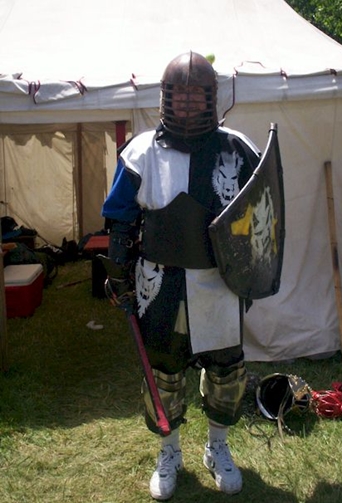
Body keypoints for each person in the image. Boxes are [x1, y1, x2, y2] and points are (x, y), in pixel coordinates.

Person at [102, 51, 261, 501]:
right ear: (166, 98)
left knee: (226, 370)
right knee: (164, 372)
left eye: (197, 96)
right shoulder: (142, 151)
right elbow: (120, 216)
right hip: (161, 280)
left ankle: (217, 447)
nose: (188, 104)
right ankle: (169, 451)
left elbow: (259, 217)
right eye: (180, 95)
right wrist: (118, 270)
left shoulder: (237, 149)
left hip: (219, 279)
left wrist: (254, 272)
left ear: (212, 98)